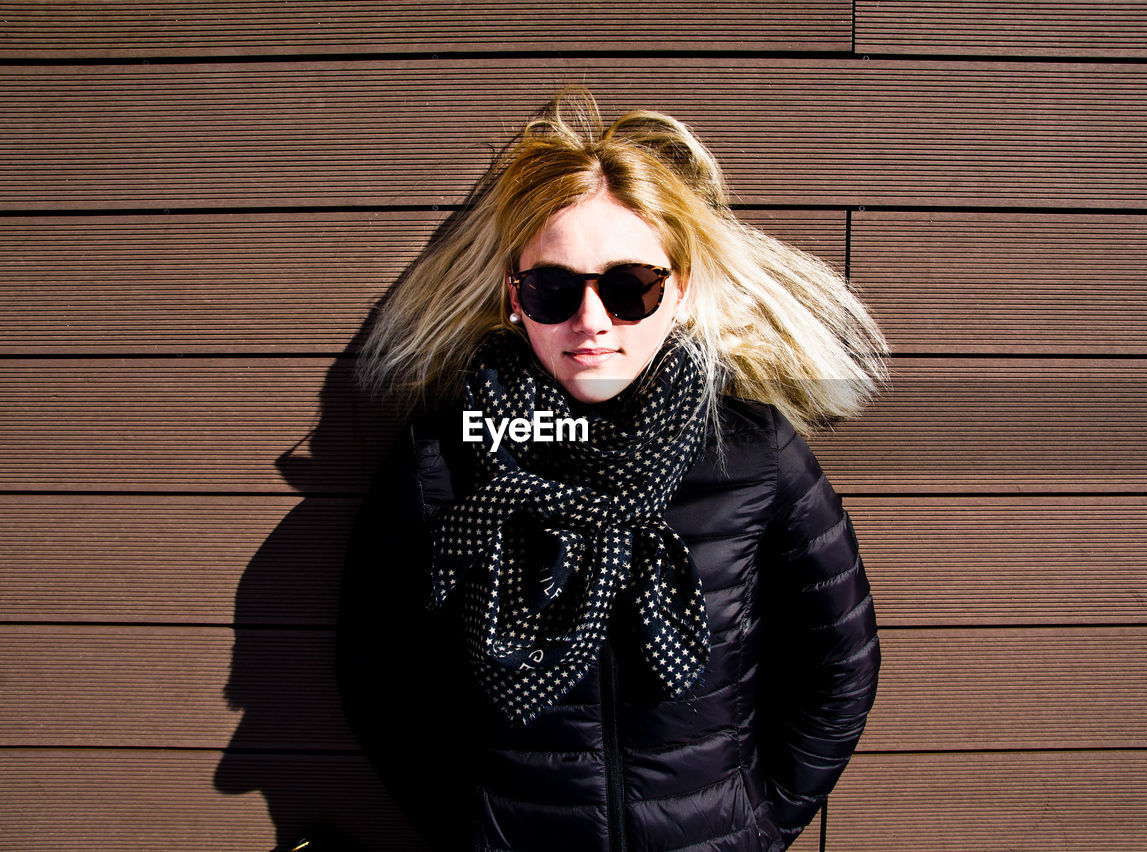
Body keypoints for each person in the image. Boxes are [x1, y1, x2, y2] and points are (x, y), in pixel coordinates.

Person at [337, 89, 887, 851]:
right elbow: (378, 670)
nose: (590, 323)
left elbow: (841, 665)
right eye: (555, 289)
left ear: (680, 290)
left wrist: (761, 822)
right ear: (514, 300)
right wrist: (472, 829)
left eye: (630, 289)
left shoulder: (752, 451)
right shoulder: (444, 456)